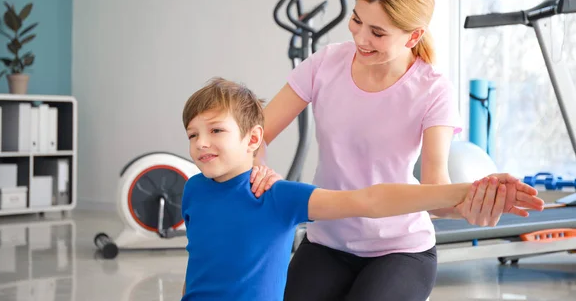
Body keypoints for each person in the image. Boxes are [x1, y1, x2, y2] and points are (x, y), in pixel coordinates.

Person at [247, 0, 545, 301]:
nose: (360, 38)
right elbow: (254, 135)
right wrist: (259, 166)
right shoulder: (325, 64)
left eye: (377, 32)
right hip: (326, 242)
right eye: (357, 20)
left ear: (413, 36)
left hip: (400, 251)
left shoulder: (432, 90)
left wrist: (473, 201)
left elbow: (435, 192)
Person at [179, 77, 542, 301]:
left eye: (216, 131)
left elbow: (371, 200)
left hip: (400, 252)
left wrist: (468, 190)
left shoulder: (276, 196)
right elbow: (200, 269)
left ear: (253, 138)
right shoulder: (193, 190)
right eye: (193, 134)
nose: (201, 143)